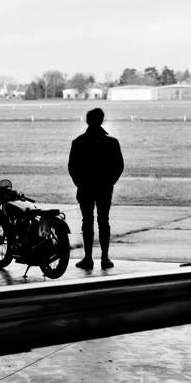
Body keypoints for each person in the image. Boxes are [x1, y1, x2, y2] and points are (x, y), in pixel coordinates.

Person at [68, 107, 124, 270]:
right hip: (104, 187)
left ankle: (88, 257)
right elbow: (118, 166)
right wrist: (109, 182)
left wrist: (80, 183)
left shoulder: (78, 142)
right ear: (101, 121)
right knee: (103, 222)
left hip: (85, 187)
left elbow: (72, 167)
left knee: (87, 222)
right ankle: (105, 258)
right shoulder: (111, 142)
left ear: (87, 121)